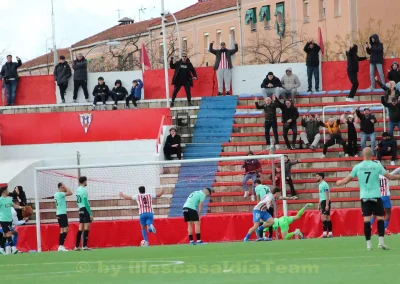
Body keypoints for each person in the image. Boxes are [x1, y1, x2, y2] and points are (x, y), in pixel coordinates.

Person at [336, 147, 400, 250]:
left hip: (364, 197)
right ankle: (381, 242)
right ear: (372, 155)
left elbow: (347, 180)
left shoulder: (358, 167)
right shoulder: (377, 165)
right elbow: (390, 177)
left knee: (366, 220)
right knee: (380, 218)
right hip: (376, 195)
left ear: (363, 155)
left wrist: (339, 182)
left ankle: (369, 244)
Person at [370, 162, 400, 235]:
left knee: (374, 213)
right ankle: (384, 229)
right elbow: (396, 170)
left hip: (377, 196)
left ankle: (369, 226)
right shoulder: (387, 176)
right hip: (385, 196)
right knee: (388, 213)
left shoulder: (375, 176)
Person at [0, 186, 24, 255]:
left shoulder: (8, 199)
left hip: (9, 219)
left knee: (5, 235)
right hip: (3, 219)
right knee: (9, 233)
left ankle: (1, 249)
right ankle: (13, 248)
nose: (8, 191)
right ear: (4, 191)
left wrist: (20, 207)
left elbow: (13, 205)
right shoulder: (0, 200)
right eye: (7, 190)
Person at [74, 176, 93, 251]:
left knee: (80, 228)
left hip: (80, 209)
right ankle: (84, 246)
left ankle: (76, 246)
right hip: (85, 209)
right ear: (84, 181)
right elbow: (85, 202)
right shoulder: (84, 190)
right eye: (86, 181)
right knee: (86, 227)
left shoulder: (77, 189)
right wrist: (90, 213)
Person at [54, 182, 72, 252]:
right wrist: (65, 186)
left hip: (59, 213)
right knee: (66, 229)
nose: (65, 189)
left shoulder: (56, 194)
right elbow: (70, 192)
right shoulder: (60, 194)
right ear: (61, 187)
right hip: (62, 213)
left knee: (62, 230)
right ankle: (61, 245)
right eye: (63, 188)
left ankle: (60, 246)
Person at [316, 173, 332, 238]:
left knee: (323, 217)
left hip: (325, 201)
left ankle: (324, 233)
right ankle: (330, 233)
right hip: (322, 202)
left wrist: (327, 204)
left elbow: (327, 195)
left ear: (321, 177)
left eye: (317, 176)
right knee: (327, 218)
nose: (316, 177)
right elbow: (320, 195)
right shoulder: (320, 185)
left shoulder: (325, 184)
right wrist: (318, 204)